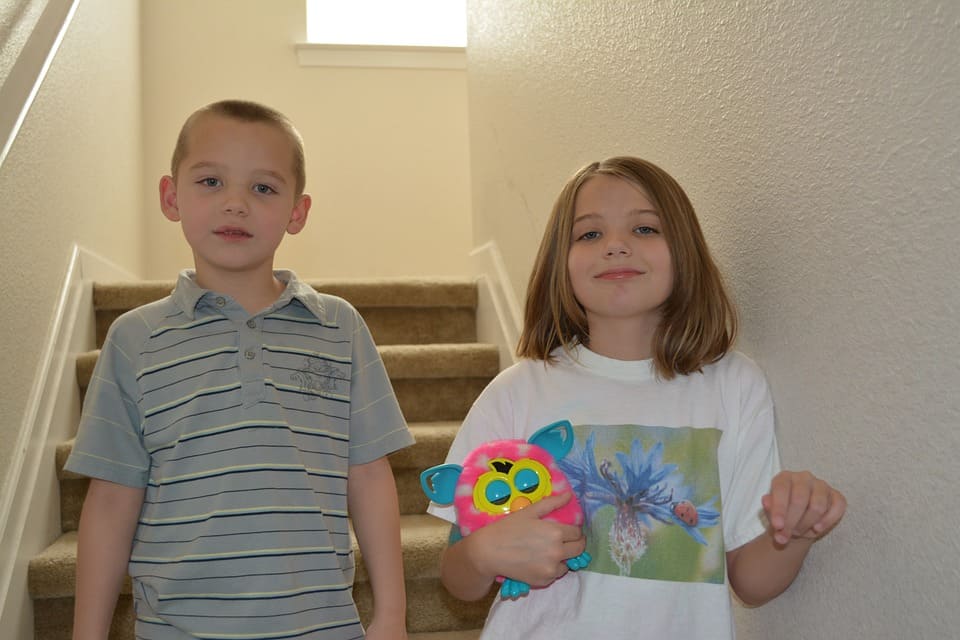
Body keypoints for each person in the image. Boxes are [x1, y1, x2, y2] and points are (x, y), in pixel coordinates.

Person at [426, 156, 846, 638]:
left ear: (685, 251)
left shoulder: (735, 386)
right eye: (589, 235)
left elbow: (750, 581)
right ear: (558, 264)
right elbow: (458, 578)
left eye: (645, 229)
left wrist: (795, 531)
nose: (616, 246)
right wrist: (482, 553)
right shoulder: (517, 392)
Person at [66, 99, 413, 640]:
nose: (235, 204)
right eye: (210, 181)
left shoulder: (338, 327)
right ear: (170, 196)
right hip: (176, 627)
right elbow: (111, 499)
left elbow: (368, 474)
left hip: (320, 626)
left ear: (297, 212)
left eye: (263, 188)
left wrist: (391, 615)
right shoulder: (134, 339)